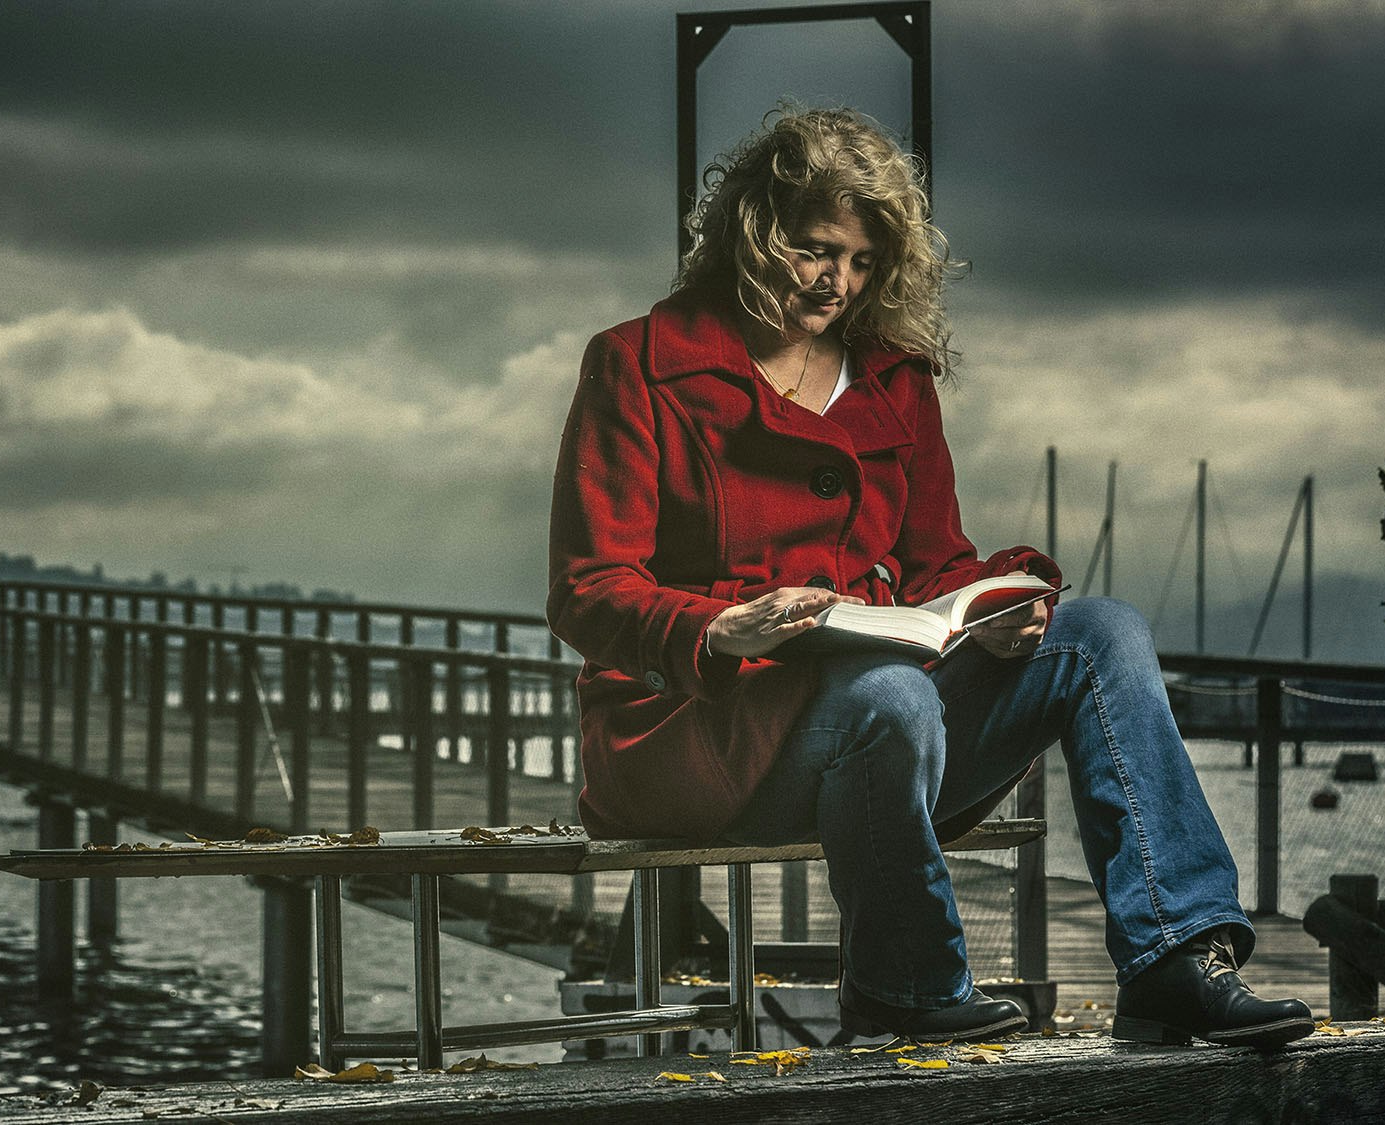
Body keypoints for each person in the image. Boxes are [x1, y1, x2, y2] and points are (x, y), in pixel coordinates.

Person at [545, 106, 1313, 1048]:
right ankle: (905, 983)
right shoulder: (637, 364)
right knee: (894, 696)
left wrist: (998, 603)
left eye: (864, 262)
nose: (840, 282)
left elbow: (934, 565)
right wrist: (718, 627)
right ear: (754, 229)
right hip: (699, 735)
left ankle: (1173, 959)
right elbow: (587, 585)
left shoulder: (893, 378)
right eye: (816, 250)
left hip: (873, 731)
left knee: (1103, 632)